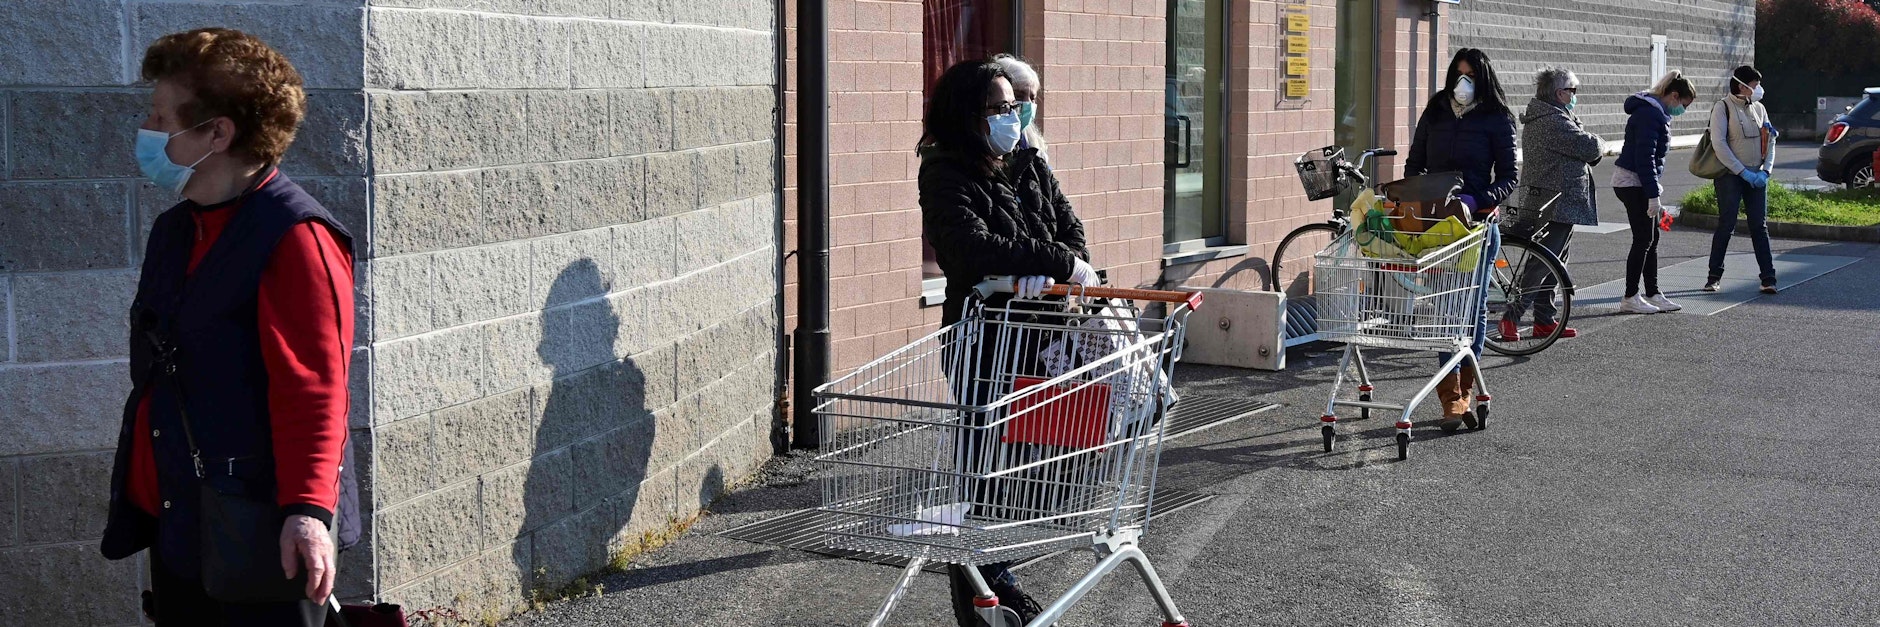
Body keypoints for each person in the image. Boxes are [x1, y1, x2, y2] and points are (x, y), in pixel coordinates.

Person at [101, 28, 356, 626]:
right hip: (181, 522)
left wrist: (308, 513)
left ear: (217, 133)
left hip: (254, 538)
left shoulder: (295, 237)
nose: (148, 129)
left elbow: (315, 390)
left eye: (162, 116)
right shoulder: (176, 230)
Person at [919, 59, 1097, 627]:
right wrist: (1050, 261)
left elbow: (1073, 236)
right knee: (988, 470)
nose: (1013, 115)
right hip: (985, 340)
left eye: (1014, 105)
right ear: (968, 116)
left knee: (1052, 463)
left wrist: (1053, 263)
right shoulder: (945, 172)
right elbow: (971, 249)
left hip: (1044, 336)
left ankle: (993, 575)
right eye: (999, 107)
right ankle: (985, 593)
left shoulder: (1030, 164)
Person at [1404, 48, 1515, 429]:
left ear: (1482, 78)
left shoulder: (1497, 117)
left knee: (1472, 308)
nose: (1462, 82)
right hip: (1437, 228)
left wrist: (1477, 200)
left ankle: (1462, 394)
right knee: (1444, 310)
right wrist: (1418, 200)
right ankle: (1450, 397)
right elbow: (1414, 162)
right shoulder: (1436, 109)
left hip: (1478, 227)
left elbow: (1509, 178)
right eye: (1458, 73)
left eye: (1470, 75)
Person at [1505, 66, 1602, 341]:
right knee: (1544, 262)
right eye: (1573, 90)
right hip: (1554, 202)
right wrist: (1597, 142)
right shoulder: (1553, 121)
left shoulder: (1554, 116)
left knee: (1555, 262)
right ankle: (1511, 318)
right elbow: (1591, 148)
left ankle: (1544, 320)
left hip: (1559, 200)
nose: (1575, 96)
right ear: (1560, 93)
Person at [1612, 71, 1698, 314]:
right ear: (1673, 95)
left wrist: (1652, 191)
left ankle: (1652, 292)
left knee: (1652, 238)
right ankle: (1630, 296)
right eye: (1683, 104)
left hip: (1639, 181)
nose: (1683, 110)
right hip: (1632, 182)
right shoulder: (1650, 114)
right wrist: (1653, 195)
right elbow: (1645, 158)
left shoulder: (1655, 112)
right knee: (1643, 239)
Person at [1704, 65, 1778, 294]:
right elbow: (1720, 145)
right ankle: (1713, 277)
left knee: (1759, 226)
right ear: (1741, 85)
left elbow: (1771, 139)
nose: (1758, 90)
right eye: (1754, 85)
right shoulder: (1722, 107)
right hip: (1730, 176)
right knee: (1727, 224)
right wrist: (1742, 172)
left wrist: (1766, 171)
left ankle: (1768, 279)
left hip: (1757, 175)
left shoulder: (1760, 108)